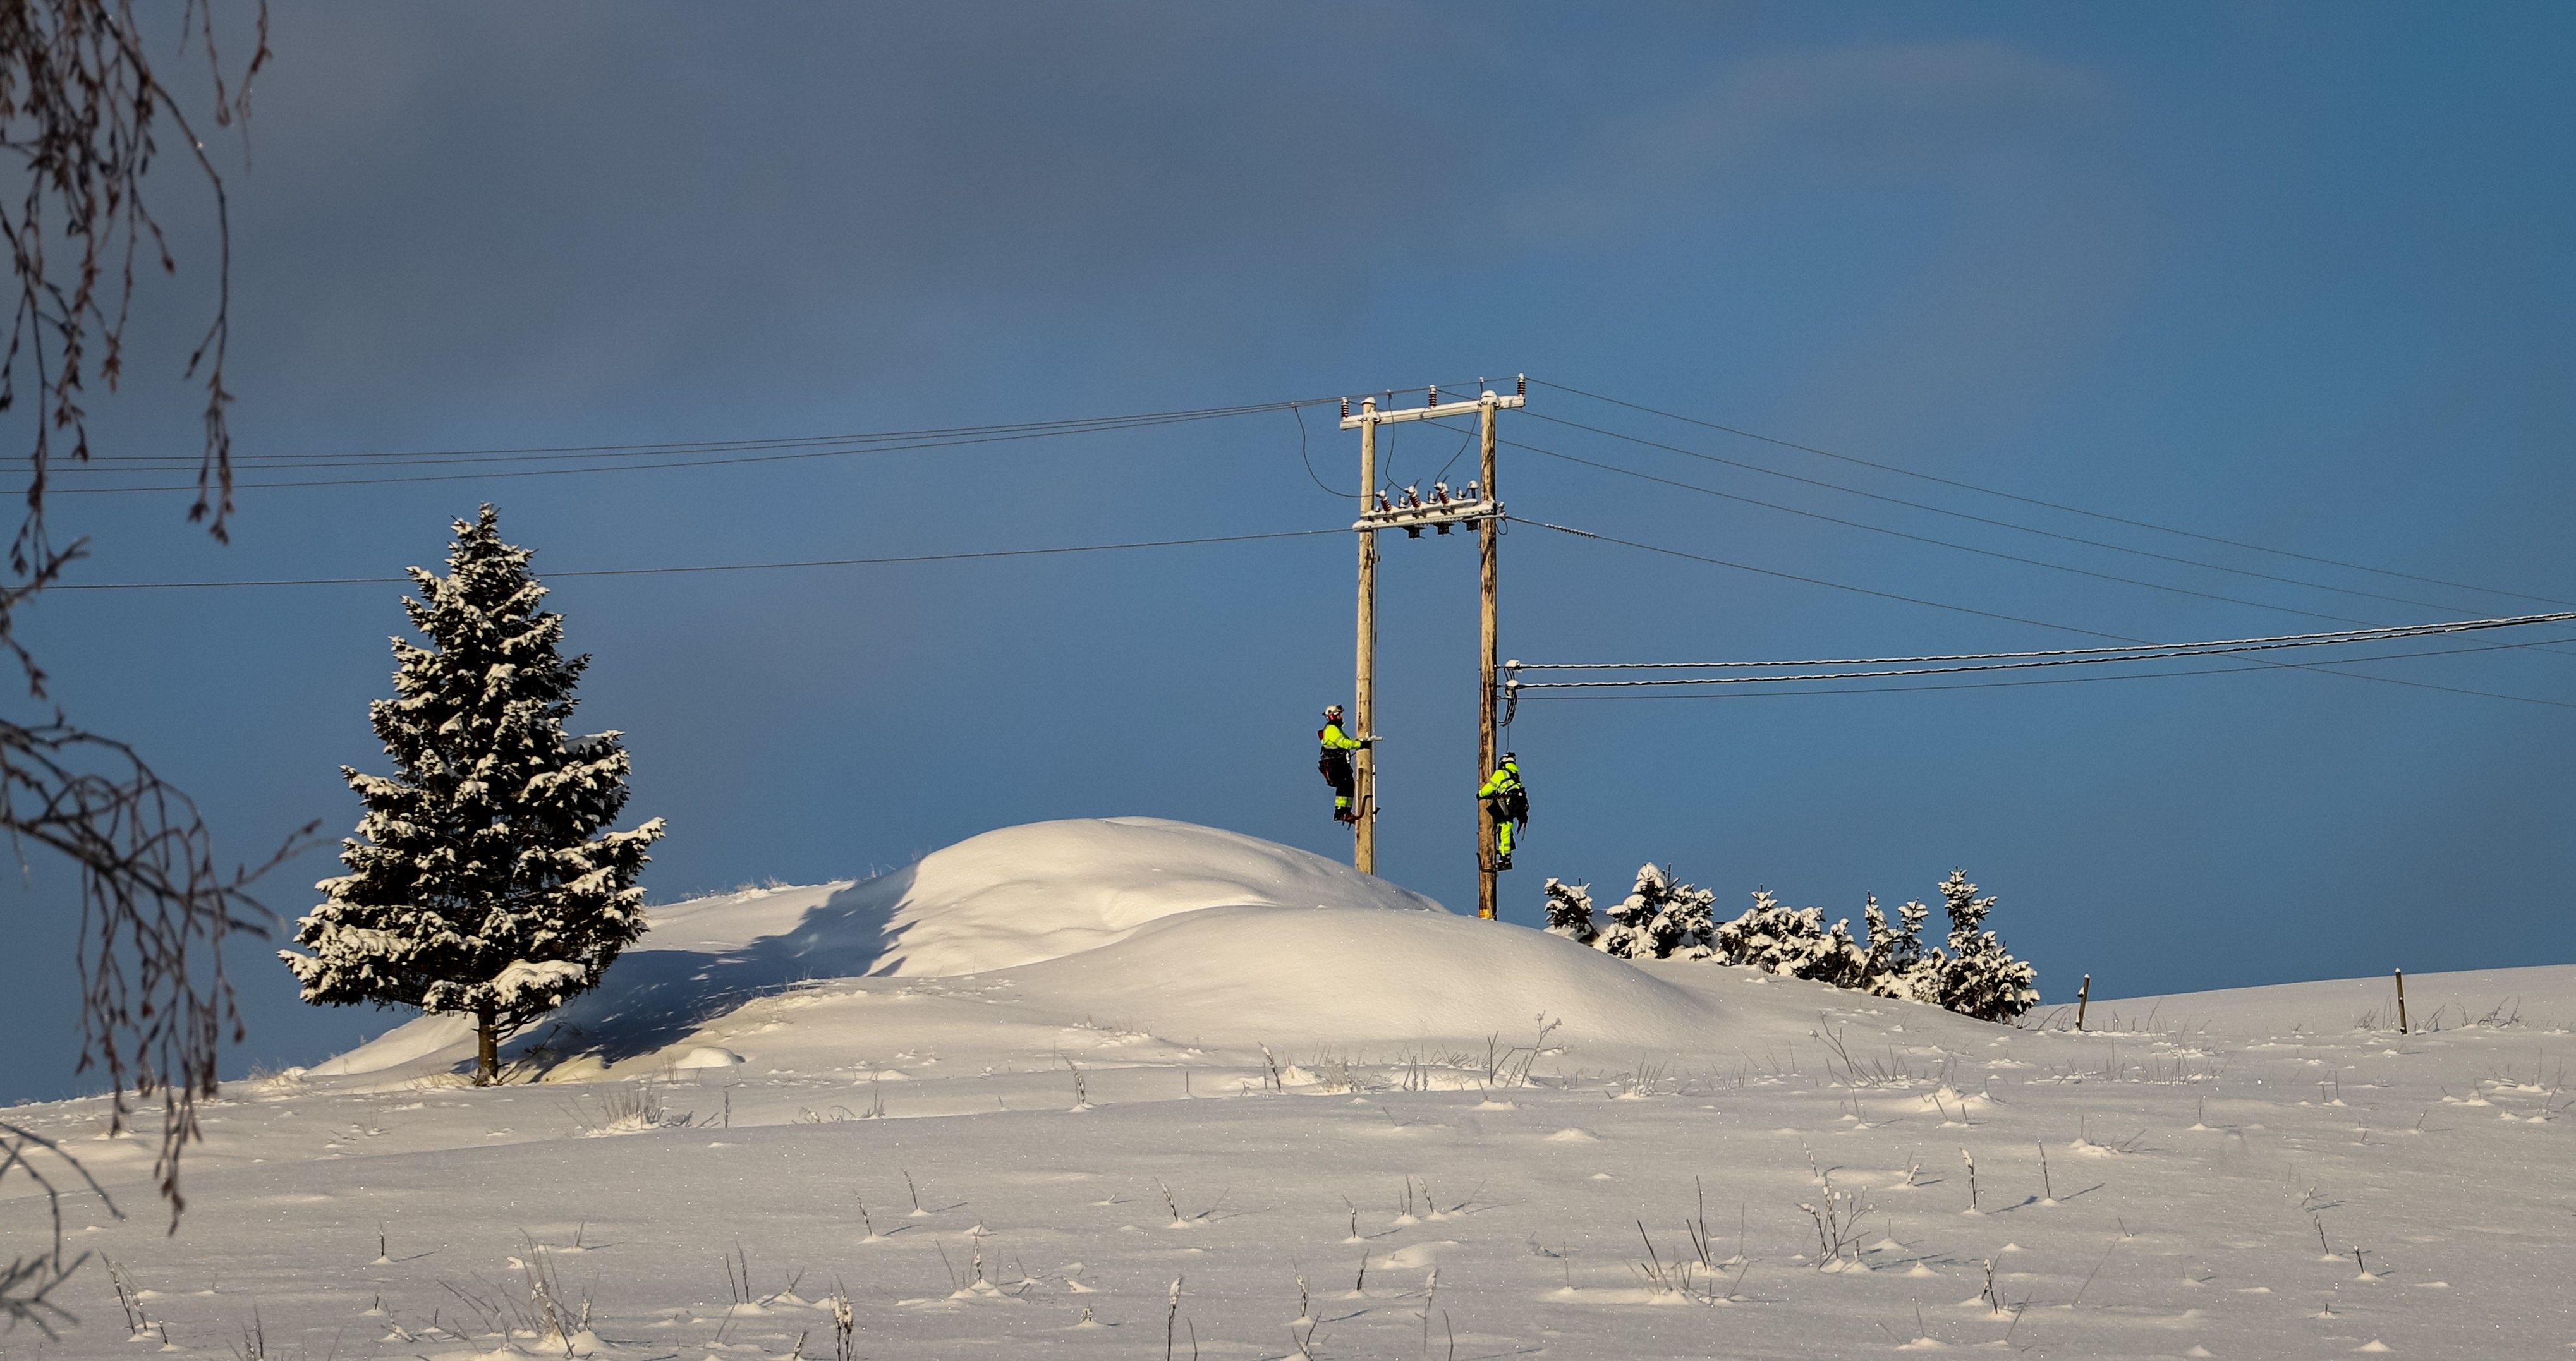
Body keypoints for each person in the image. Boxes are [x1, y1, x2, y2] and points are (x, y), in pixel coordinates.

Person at [1318, 704, 1372, 823]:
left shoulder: (1336, 729)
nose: (1341, 716)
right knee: (1344, 785)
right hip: (1334, 764)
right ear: (1333, 716)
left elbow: (1347, 741)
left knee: (1348, 785)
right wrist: (1361, 744)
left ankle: (1346, 811)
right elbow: (1344, 743)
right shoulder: (1332, 729)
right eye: (1339, 714)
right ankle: (1341, 812)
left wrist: (1358, 743)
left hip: (1338, 763)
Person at [1477, 751, 1527, 870]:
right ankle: (1504, 850)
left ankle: (1506, 859)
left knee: (1504, 827)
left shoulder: (1501, 773)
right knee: (1507, 826)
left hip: (1508, 803)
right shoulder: (1515, 776)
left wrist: (1480, 794)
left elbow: (1489, 788)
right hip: (1515, 806)